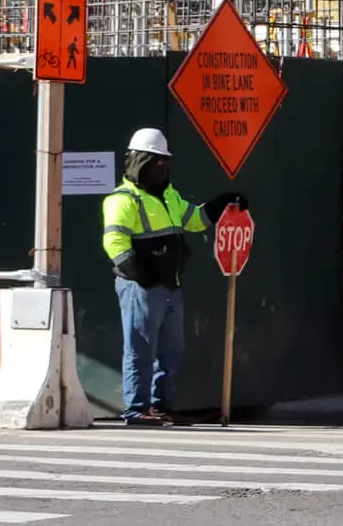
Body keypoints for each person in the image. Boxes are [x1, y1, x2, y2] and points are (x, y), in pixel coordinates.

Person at [100, 127, 247, 426]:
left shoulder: (169, 196)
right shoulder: (123, 199)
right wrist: (137, 273)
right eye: (155, 161)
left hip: (170, 285)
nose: (162, 167)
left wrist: (220, 203)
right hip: (141, 288)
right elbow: (114, 241)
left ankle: (160, 405)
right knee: (140, 349)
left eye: (165, 161)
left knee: (170, 351)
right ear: (139, 162)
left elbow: (194, 221)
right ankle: (136, 409)